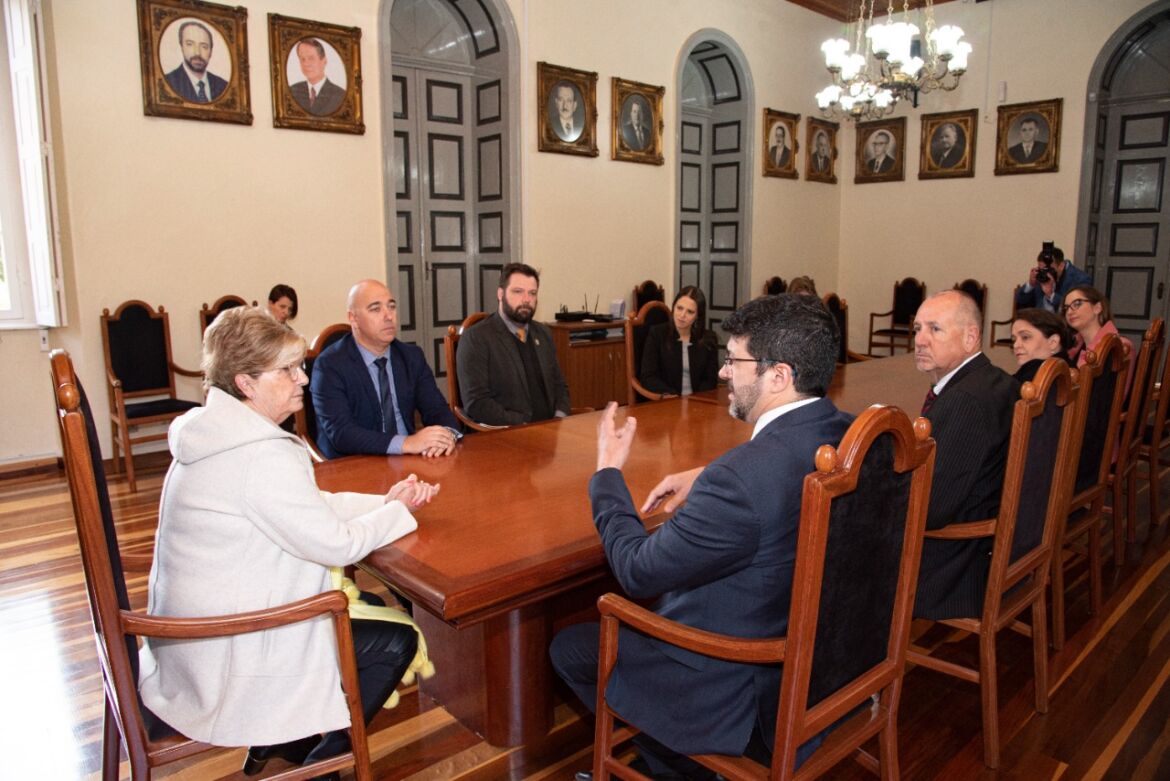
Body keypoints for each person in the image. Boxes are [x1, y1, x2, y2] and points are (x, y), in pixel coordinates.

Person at [550, 294, 853, 780]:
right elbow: (780, 470)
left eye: (735, 361)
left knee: (569, 647)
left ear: (779, 376)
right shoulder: (848, 434)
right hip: (828, 666)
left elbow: (637, 570)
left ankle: (676, 766)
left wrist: (607, 474)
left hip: (739, 688)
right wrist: (709, 473)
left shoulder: (740, 480)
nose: (724, 372)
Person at [138, 307, 437, 777]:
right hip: (227, 653)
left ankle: (284, 743)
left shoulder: (218, 433)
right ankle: (320, 766)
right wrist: (399, 514)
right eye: (288, 370)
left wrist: (384, 501)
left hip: (191, 644)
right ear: (246, 383)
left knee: (366, 618)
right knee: (394, 643)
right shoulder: (258, 456)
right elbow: (338, 546)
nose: (303, 379)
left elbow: (306, 505)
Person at [911, 290, 1018, 620]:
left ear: (971, 337)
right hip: (985, 546)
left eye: (935, 329)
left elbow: (930, 510)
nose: (920, 340)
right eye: (917, 329)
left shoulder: (965, 402)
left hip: (952, 569)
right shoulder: (998, 381)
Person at [311, 279, 460, 460]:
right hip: (355, 463)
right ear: (353, 318)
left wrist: (447, 436)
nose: (388, 316)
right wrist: (406, 443)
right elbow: (342, 433)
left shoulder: (411, 356)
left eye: (391, 307)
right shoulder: (329, 365)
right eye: (375, 309)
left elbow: (437, 409)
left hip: (410, 460)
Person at [456, 262, 571, 426]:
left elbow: (559, 386)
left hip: (551, 430)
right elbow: (477, 404)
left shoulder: (543, 333)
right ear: (500, 294)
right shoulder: (476, 338)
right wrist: (524, 426)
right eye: (518, 292)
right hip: (508, 432)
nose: (526, 299)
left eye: (532, 293)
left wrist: (558, 419)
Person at [638, 286, 719, 397]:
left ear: (697, 316)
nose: (682, 315)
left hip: (699, 401)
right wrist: (673, 397)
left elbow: (710, 380)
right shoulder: (657, 334)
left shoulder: (709, 339)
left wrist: (695, 399)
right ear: (673, 307)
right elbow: (648, 377)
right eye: (679, 308)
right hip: (668, 401)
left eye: (690, 312)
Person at [1064, 285, 1135, 392]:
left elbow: (1113, 395)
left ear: (1097, 308)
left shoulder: (1119, 346)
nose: (1069, 312)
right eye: (1066, 308)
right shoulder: (1075, 345)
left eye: (1077, 304)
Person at [1013, 243, 1092, 314]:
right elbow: (1021, 300)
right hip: (1039, 321)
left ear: (1061, 265)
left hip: (1062, 323)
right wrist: (1030, 285)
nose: (1045, 273)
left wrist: (1051, 295)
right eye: (1041, 269)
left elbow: (1076, 309)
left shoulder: (1081, 279)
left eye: (1047, 269)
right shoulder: (1041, 275)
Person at [164, 20, 228, 103]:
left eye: (204, 46)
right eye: (190, 44)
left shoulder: (224, 86)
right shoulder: (168, 83)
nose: (197, 53)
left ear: (211, 51)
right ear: (182, 47)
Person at [1010, 307, 1073, 383]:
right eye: (1014, 340)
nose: (1015, 345)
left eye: (1025, 337)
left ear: (1053, 342)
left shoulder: (1042, 372)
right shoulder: (1068, 366)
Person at [290, 38, 346, 116]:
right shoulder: (292, 91)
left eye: (311, 58)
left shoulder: (340, 95)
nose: (306, 64)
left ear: (324, 61)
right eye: (302, 59)